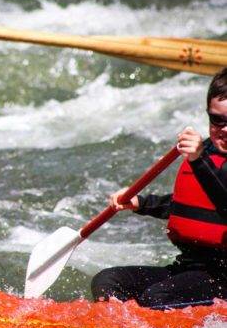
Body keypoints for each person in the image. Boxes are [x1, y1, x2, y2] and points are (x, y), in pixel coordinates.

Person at [91, 69, 227, 309]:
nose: (224, 129)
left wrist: (198, 160)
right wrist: (141, 203)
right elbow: (192, 207)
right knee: (108, 281)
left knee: (155, 298)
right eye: (218, 120)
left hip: (223, 280)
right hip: (188, 267)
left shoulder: (200, 158)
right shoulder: (206, 152)